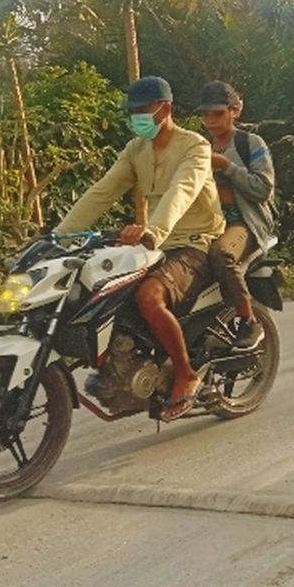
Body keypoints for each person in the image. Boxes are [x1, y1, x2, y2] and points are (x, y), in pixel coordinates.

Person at [55, 76, 225, 421]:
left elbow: (183, 190)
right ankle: (125, 365)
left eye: (143, 111)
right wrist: (59, 236)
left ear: (166, 109)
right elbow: (101, 192)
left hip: (194, 242)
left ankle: (185, 373)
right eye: (132, 112)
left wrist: (153, 231)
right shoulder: (136, 150)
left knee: (149, 296)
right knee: (104, 292)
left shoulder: (195, 147)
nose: (137, 118)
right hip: (156, 245)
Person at [196, 81, 277, 351]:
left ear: (234, 111)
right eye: (206, 115)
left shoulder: (250, 143)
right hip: (208, 224)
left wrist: (227, 167)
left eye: (217, 113)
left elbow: (263, 189)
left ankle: (247, 319)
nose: (210, 120)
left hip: (243, 223)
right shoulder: (199, 148)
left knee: (222, 254)